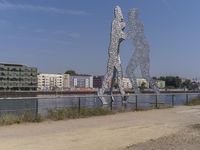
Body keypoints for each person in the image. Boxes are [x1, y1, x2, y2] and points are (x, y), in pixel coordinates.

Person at [126, 9, 159, 94]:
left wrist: (119, 35)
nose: (129, 17)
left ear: (134, 16)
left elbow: (130, 35)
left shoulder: (136, 24)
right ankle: (157, 91)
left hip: (141, 50)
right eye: (129, 15)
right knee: (145, 75)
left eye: (130, 15)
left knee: (129, 70)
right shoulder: (136, 24)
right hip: (144, 50)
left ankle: (137, 92)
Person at [98, 6, 126, 104]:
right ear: (116, 13)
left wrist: (123, 25)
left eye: (119, 11)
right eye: (118, 12)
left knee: (115, 75)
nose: (120, 14)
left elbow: (122, 35)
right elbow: (120, 36)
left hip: (117, 53)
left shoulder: (118, 23)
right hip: (113, 52)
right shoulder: (115, 22)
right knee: (113, 73)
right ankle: (102, 92)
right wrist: (125, 28)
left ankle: (111, 93)